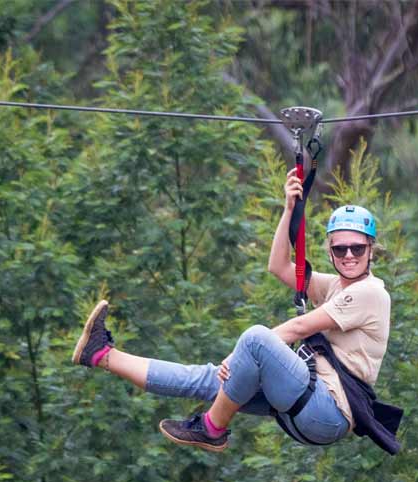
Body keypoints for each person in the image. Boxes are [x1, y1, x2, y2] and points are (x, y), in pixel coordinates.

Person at [72, 169, 392, 452]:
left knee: (254, 339)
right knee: (206, 379)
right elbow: (279, 266)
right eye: (340, 248)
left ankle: (212, 429)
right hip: (305, 402)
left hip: (327, 411)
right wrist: (289, 209)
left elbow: (297, 329)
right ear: (331, 251)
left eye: (358, 248)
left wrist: (237, 355)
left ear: (371, 250)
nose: (349, 255)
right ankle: (101, 355)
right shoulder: (336, 286)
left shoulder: (369, 293)